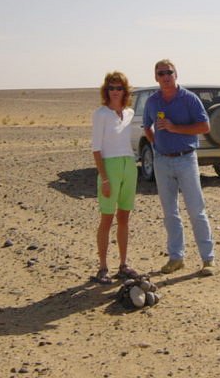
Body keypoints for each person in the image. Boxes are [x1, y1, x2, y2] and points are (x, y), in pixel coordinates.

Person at [143, 59, 215, 276]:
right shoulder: (152, 102)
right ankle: (176, 258)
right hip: (162, 161)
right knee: (170, 213)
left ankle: (208, 259)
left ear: (176, 74)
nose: (165, 76)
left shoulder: (189, 99)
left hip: (186, 159)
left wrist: (175, 129)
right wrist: (157, 145)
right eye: (161, 73)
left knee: (196, 210)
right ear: (156, 77)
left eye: (169, 72)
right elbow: (147, 126)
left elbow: (205, 126)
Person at [91, 71, 140, 284]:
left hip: (129, 164)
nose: (115, 92)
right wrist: (104, 178)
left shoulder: (129, 113)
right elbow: (96, 149)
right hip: (109, 167)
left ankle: (123, 264)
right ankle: (102, 267)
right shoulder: (101, 114)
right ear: (106, 90)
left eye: (119, 88)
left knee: (124, 218)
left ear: (125, 90)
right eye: (111, 88)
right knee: (107, 218)